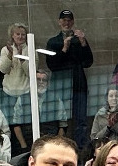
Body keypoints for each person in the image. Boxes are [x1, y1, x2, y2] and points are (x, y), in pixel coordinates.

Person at [46, 10, 94, 146]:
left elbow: (88, 62)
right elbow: (52, 65)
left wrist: (83, 43)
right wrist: (64, 49)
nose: (66, 23)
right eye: (64, 20)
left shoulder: (79, 40)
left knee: (80, 119)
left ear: (72, 22)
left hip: (78, 85)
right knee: (61, 119)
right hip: (60, 86)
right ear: (59, 22)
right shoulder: (53, 42)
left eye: (69, 20)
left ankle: (80, 148)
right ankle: (61, 146)